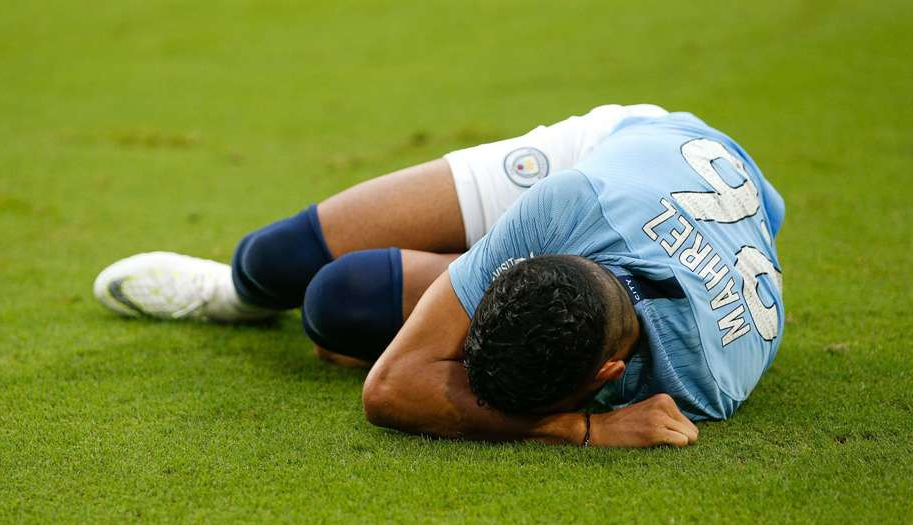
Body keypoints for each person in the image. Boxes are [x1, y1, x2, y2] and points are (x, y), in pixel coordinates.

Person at [93, 104, 785, 448]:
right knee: (271, 260)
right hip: (634, 151)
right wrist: (583, 430)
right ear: (527, 259)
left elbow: (402, 379)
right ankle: (233, 296)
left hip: (677, 217)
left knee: (339, 300)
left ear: (611, 372)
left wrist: (570, 424)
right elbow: (392, 386)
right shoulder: (563, 204)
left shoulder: (691, 382)